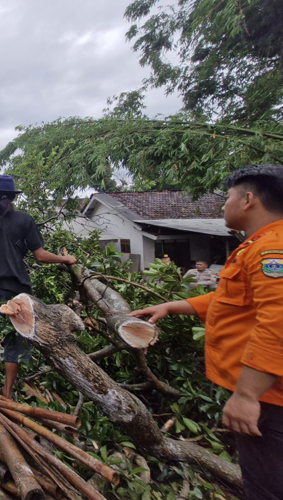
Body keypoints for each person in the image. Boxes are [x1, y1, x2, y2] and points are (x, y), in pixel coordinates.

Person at [129, 164, 283, 500]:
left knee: (266, 488)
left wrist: (246, 396)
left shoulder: (272, 250)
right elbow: (231, 299)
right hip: (267, 395)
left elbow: (278, 323)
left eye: (226, 198)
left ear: (248, 199)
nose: (222, 206)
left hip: (270, 400)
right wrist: (171, 306)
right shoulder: (256, 246)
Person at [0, 175, 77, 399]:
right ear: (13, 198)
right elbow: (41, 256)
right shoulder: (24, 220)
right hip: (18, 292)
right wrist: (66, 259)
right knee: (15, 339)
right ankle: (7, 391)